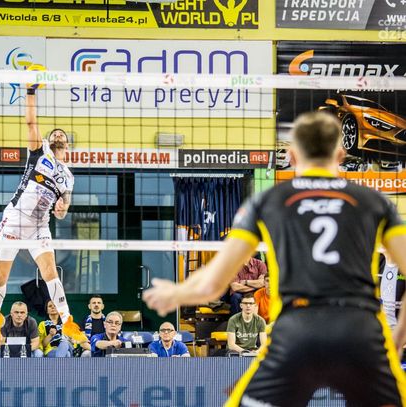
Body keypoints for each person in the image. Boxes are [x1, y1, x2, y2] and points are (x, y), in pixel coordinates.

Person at [143, 112, 406, 406]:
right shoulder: (374, 201)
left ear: (291, 156)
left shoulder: (270, 201)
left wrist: (176, 293)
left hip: (297, 330)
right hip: (360, 331)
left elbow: (213, 285)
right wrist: (397, 337)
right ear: (341, 156)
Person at [0, 85, 82, 349]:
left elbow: (64, 207)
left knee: (51, 273)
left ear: (67, 144)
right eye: (54, 133)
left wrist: (61, 209)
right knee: (1, 276)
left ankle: (68, 321)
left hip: (40, 226)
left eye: (62, 134)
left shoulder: (68, 177)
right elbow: (30, 122)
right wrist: (30, 93)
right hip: (15, 219)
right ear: (49, 140)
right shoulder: (39, 152)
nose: (58, 135)